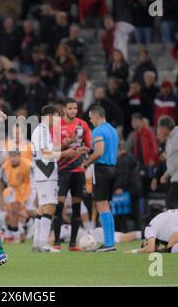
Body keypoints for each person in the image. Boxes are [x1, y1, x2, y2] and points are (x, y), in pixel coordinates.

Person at [31, 105, 74, 252]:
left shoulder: (41, 130)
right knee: (50, 205)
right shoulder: (42, 131)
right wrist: (66, 153)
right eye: (56, 117)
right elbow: (46, 153)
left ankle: (37, 243)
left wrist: (64, 147)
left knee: (43, 206)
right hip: (46, 171)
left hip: (42, 172)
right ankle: (42, 243)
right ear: (49, 117)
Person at [53, 98, 92, 252]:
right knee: (59, 205)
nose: (73, 111)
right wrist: (65, 144)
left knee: (77, 207)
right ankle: (56, 242)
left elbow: (89, 147)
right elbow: (51, 150)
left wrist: (85, 149)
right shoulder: (56, 125)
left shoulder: (82, 124)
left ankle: (73, 244)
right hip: (62, 171)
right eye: (70, 108)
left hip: (78, 171)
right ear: (64, 109)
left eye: (75, 108)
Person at [80, 105, 118, 252]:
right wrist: (89, 150)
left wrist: (86, 164)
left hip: (101, 170)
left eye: (91, 116)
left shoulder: (97, 131)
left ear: (97, 116)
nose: (90, 120)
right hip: (113, 169)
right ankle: (111, 242)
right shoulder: (113, 130)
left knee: (101, 206)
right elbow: (104, 149)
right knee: (106, 206)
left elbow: (100, 152)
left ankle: (108, 244)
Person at [0, 151, 34, 243]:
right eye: (11, 156)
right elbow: (1, 182)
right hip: (13, 189)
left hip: (28, 188)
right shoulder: (5, 166)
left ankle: (29, 224)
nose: (13, 158)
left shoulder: (28, 165)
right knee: (12, 211)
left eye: (15, 156)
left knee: (28, 211)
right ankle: (18, 233)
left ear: (19, 156)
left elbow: (32, 180)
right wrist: (1, 197)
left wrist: (28, 196)